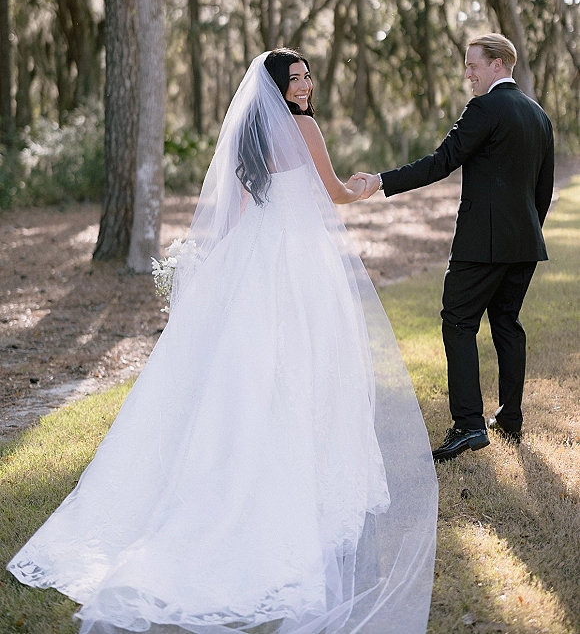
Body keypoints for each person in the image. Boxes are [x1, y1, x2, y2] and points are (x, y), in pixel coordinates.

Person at [8, 49, 438, 634]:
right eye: (298, 77)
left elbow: (234, 213)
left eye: (309, 75)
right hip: (298, 263)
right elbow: (333, 192)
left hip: (255, 259)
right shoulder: (303, 128)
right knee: (305, 361)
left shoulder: (250, 135)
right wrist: (365, 186)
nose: (308, 84)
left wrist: (213, 268)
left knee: (249, 366)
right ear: (279, 88)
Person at [354, 33, 554, 463]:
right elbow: (543, 190)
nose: (467, 73)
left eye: (473, 65)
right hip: (525, 243)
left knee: (458, 321)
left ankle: (468, 426)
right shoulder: (539, 116)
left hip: (482, 245)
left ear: (498, 65)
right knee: (507, 323)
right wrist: (527, 232)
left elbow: (441, 162)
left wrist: (382, 180)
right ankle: (510, 418)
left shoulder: (485, 108)